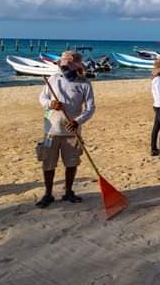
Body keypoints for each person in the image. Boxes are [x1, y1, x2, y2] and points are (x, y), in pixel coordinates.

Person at [36, 50, 95, 208]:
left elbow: (90, 108)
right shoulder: (52, 79)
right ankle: (48, 194)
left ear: (76, 67)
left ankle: (68, 191)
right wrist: (50, 104)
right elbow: (42, 98)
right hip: (51, 130)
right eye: (62, 66)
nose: (63, 69)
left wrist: (77, 121)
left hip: (72, 132)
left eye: (67, 67)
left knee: (71, 163)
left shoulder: (84, 84)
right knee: (48, 164)